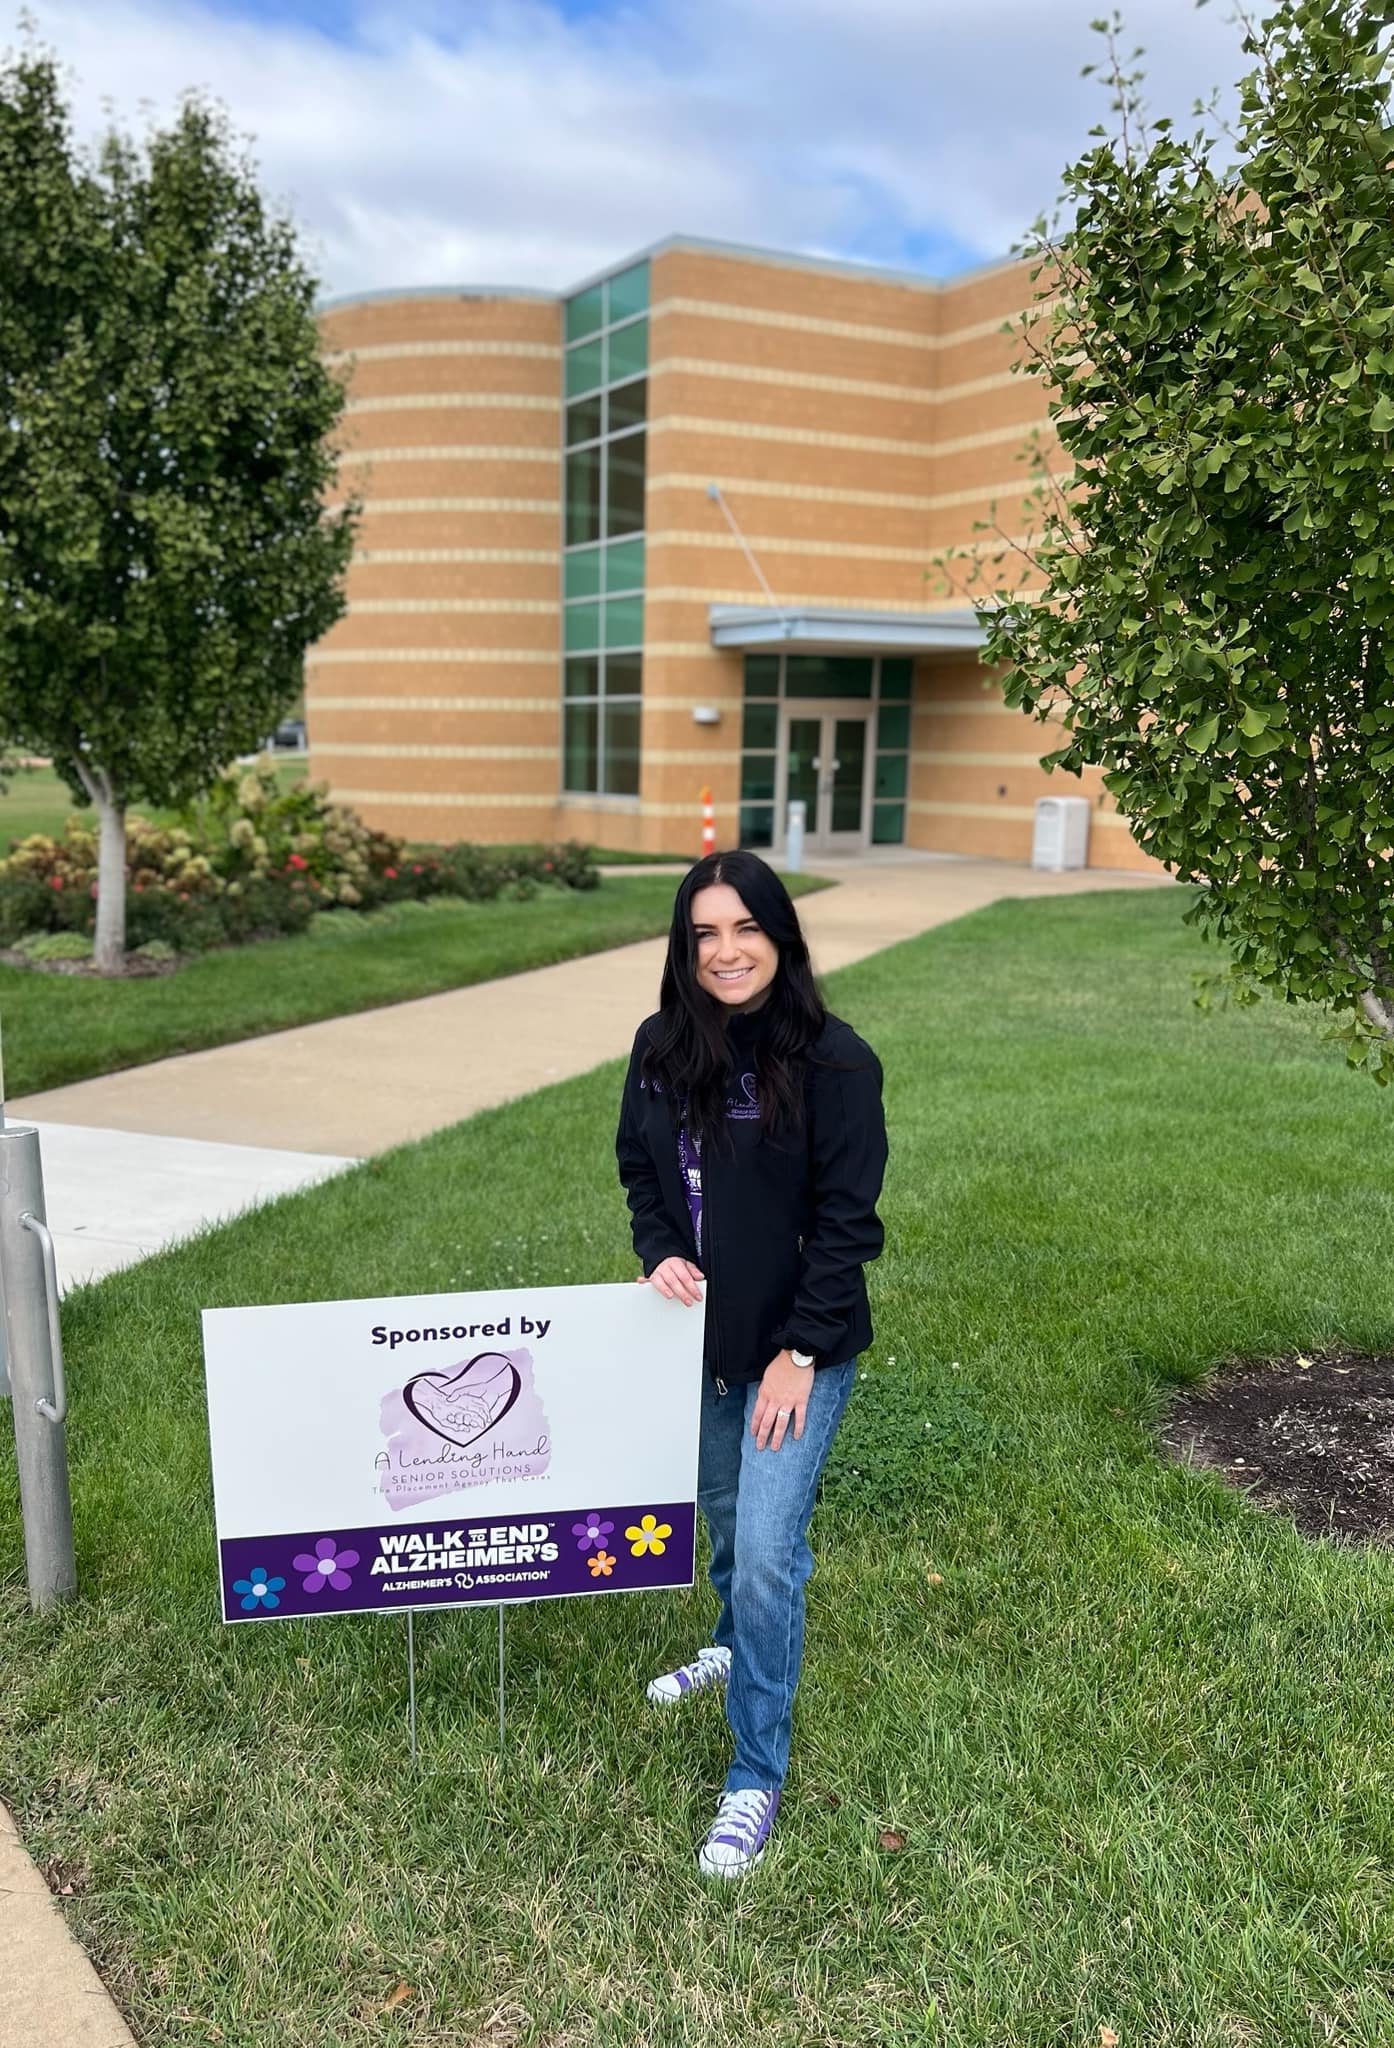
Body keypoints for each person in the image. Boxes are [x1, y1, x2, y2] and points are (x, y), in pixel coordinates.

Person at [615, 848, 887, 1878]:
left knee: (768, 1544)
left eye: (745, 928)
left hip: (793, 1353)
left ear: (780, 934)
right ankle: (730, 1638)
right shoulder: (659, 1044)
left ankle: (752, 1773)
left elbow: (845, 1225)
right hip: (699, 1343)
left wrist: (800, 1355)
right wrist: (658, 1248)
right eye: (704, 933)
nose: (725, 951)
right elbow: (640, 1167)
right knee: (721, 1516)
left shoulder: (834, 1062)